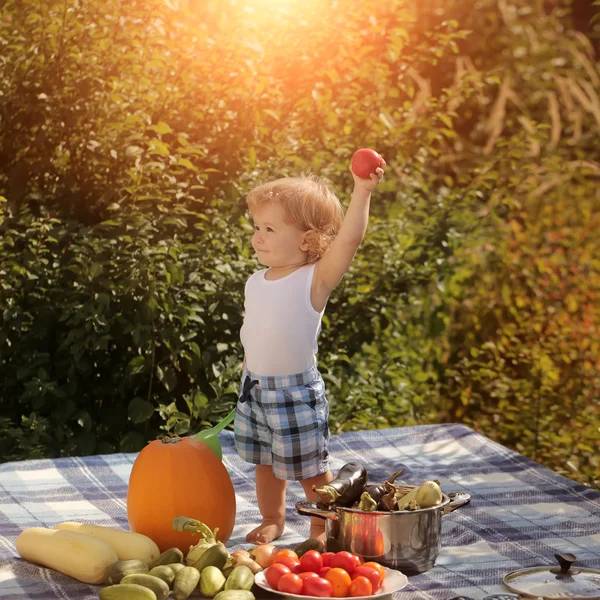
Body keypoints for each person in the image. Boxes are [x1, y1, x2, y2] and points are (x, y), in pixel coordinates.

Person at [234, 157, 386, 544]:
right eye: (256, 227)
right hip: (255, 391)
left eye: (270, 228)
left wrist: (362, 190)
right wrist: (246, 371)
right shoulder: (255, 281)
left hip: (294, 393)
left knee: (311, 469)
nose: (258, 237)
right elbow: (254, 331)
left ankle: (321, 527)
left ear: (306, 239)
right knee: (266, 465)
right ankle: (273, 518)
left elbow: (349, 239)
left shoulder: (313, 281)